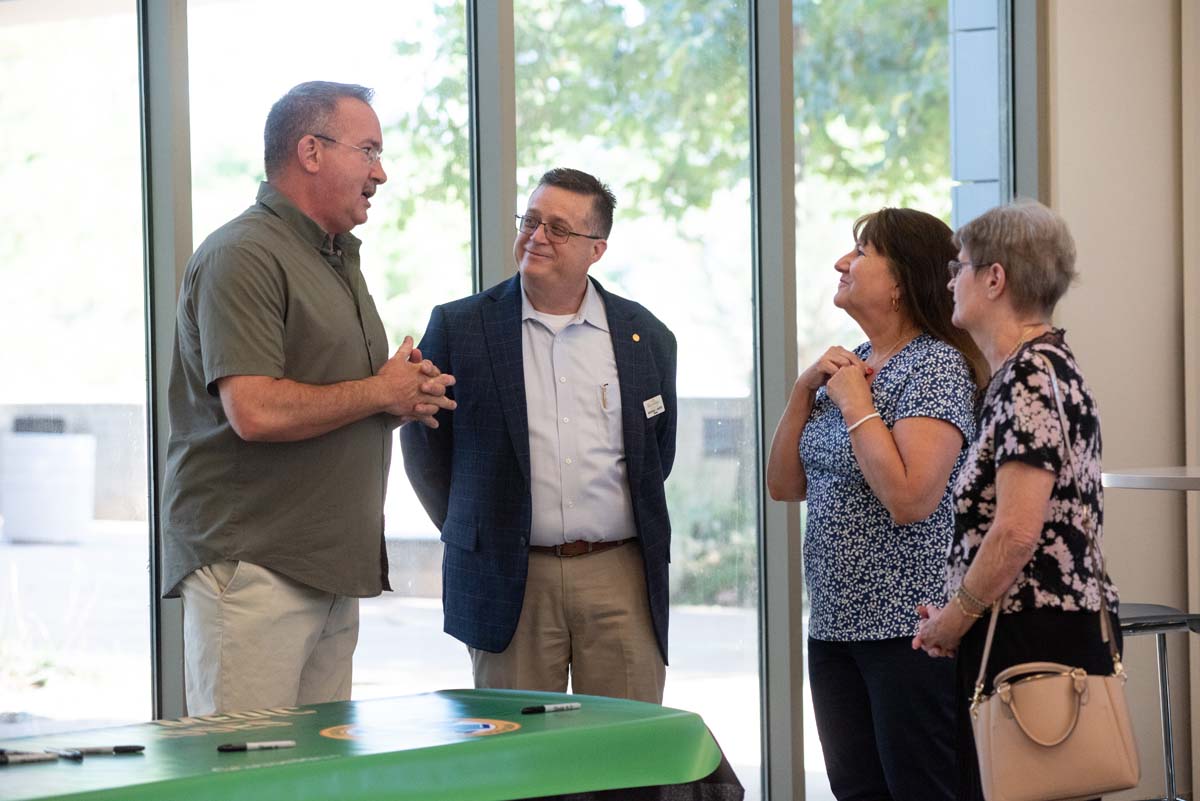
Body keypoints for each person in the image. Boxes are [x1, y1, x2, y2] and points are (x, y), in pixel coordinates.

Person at [161, 81, 456, 716]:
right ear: (311, 151)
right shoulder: (243, 254)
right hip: (257, 568)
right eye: (368, 151)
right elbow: (255, 410)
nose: (381, 173)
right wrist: (379, 390)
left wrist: (397, 399)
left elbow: (333, 399)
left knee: (316, 767)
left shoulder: (333, 258)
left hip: (327, 569)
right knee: (247, 765)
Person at [400, 167, 677, 703]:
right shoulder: (460, 327)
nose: (538, 236)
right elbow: (425, 448)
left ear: (597, 249)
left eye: (559, 228)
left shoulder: (646, 335)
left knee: (625, 744)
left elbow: (655, 454)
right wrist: (479, 529)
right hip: (509, 578)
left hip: (619, 575)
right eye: (530, 221)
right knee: (516, 745)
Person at [767, 208, 984, 801]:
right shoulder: (853, 362)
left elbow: (911, 499)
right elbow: (784, 485)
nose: (843, 262)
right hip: (835, 624)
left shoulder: (934, 366)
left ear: (901, 282)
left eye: (861, 252)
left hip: (908, 631)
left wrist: (856, 404)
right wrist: (802, 392)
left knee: (921, 791)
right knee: (855, 790)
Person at [913, 199, 1121, 801]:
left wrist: (954, 619)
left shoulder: (1030, 375)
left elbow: (1016, 532)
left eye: (959, 267)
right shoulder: (1030, 370)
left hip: (1035, 639)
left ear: (995, 278)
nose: (950, 282)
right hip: (1030, 630)